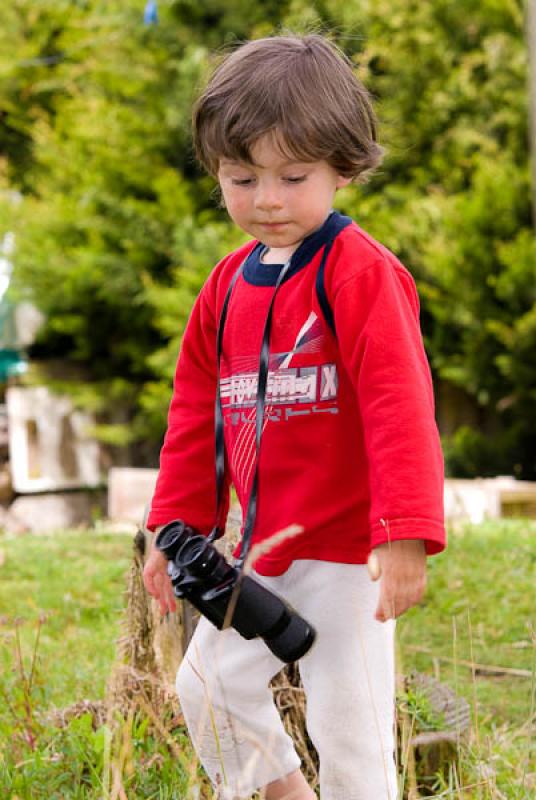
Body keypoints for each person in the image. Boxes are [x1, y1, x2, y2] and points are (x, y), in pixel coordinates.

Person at [143, 33, 446, 800]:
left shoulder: (361, 273)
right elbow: (194, 418)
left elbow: (399, 405)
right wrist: (172, 527)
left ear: (344, 166)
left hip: (350, 559)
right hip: (265, 553)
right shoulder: (224, 288)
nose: (267, 199)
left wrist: (405, 532)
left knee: (351, 732)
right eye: (242, 178)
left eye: (293, 176)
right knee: (206, 689)